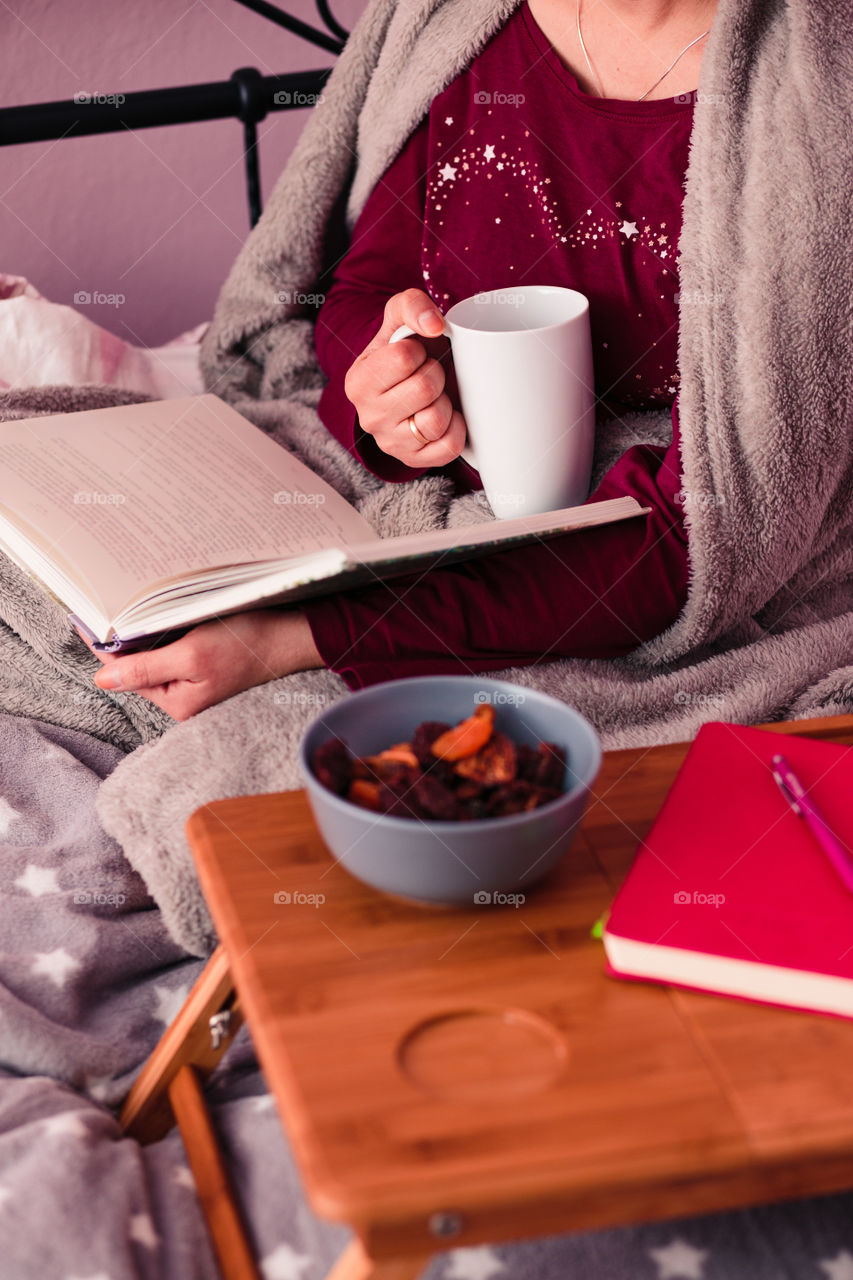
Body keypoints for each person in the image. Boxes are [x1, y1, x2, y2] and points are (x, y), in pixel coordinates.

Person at [88, 0, 718, 721]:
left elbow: (700, 534)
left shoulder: (807, 101)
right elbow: (362, 293)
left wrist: (298, 640)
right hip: (399, 495)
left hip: (619, 559)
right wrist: (386, 388)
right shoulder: (459, 25)